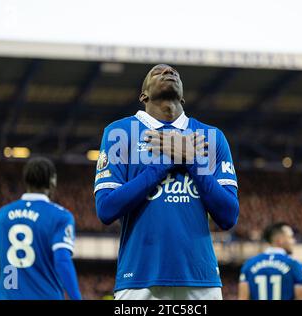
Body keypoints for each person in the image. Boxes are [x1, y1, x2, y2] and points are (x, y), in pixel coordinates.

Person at [94, 64, 240, 300]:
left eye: (174, 73)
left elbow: (229, 215)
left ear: (182, 96)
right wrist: (164, 162)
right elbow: (106, 208)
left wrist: (193, 161)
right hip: (139, 281)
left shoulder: (212, 137)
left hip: (201, 282)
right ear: (144, 95)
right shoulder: (119, 132)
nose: (168, 72)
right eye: (158, 72)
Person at [0, 157, 82, 300]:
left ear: (26, 181)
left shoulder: (1, 216)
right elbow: (62, 261)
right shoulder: (61, 216)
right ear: (52, 182)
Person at [238, 222, 302, 300]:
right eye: (290, 237)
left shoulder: (249, 264)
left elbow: (242, 298)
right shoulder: (295, 265)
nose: (293, 241)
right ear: (280, 240)